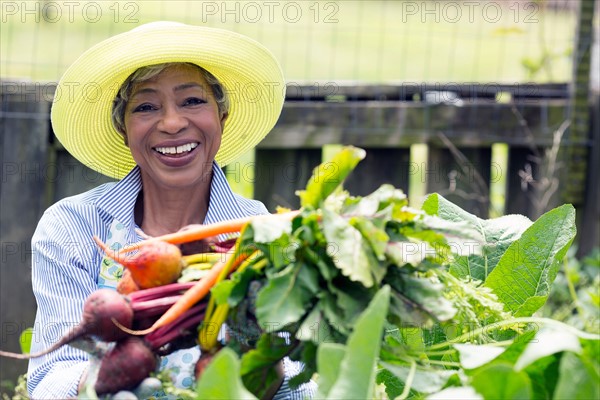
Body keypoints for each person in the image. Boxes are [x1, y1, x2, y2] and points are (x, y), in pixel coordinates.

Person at [27, 21, 315, 399]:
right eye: (145, 107)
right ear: (124, 129)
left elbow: (302, 387)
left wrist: (260, 358)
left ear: (221, 118)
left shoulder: (263, 235)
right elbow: (48, 380)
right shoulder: (73, 226)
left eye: (192, 101)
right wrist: (104, 380)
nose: (173, 123)